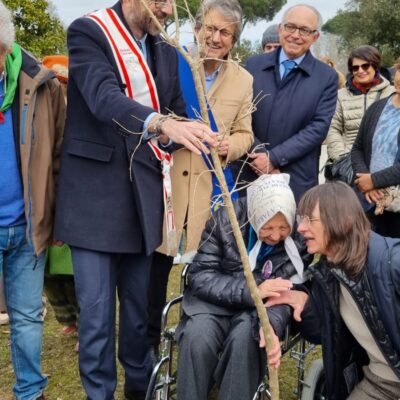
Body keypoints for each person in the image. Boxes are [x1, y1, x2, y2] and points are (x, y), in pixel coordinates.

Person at [53, 1, 217, 399]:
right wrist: (159, 123)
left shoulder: (162, 48)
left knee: (139, 318)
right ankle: (100, 393)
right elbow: (102, 97)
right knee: (95, 321)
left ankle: (139, 392)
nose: (165, 7)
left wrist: (187, 130)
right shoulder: (89, 32)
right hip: (94, 202)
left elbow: (175, 111)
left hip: (144, 202)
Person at [147, 0, 254, 351]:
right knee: (154, 274)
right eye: (209, 28)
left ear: (234, 39)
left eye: (225, 32)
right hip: (166, 187)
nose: (215, 37)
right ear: (196, 28)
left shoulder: (243, 79)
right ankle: (149, 344)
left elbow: (246, 133)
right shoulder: (168, 60)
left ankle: (196, 343)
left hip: (212, 189)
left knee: (204, 274)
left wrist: (230, 145)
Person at [176, 174, 311, 400]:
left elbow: (288, 293)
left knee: (246, 341)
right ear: (256, 215)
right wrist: (252, 291)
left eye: (283, 227)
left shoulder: (299, 239)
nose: (276, 235)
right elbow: (200, 275)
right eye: (268, 227)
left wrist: (270, 326)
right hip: (213, 304)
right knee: (197, 337)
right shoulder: (225, 219)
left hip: (256, 313)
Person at [267, 181, 400, 399]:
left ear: (342, 221)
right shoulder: (328, 275)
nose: (300, 228)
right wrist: (305, 304)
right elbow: (323, 334)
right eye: (301, 219)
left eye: (309, 219)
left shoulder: (391, 262)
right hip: (379, 383)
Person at [0, 2, 66, 399]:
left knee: (26, 317)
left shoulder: (43, 84)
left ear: (6, 48)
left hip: (27, 224)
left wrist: (55, 216)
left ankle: (30, 391)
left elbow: (58, 156)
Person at [243, 4, 338, 203]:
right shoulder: (253, 65)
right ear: (280, 29)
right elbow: (240, 116)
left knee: (293, 233)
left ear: (315, 37)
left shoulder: (326, 77)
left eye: (304, 30)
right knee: (241, 231)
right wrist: (260, 156)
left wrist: (274, 158)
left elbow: (318, 127)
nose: (295, 35)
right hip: (249, 169)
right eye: (290, 27)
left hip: (296, 177)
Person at [351, 58, 400, 238]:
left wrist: (374, 180)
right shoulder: (378, 107)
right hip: (369, 200)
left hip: (396, 207)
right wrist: (366, 183)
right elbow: (357, 148)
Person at [326, 46, 394, 163]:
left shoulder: (391, 93)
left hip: (383, 165)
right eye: (355, 68)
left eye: (365, 66)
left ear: (375, 66)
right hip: (348, 163)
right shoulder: (340, 96)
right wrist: (343, 159)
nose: (360, 71)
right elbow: (333, 129)